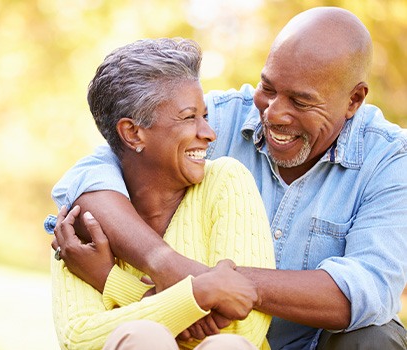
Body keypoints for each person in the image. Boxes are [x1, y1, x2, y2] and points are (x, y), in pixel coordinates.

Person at [49, 7, 407, 349]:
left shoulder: (390, 160)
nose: (275, 113)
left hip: (308, 343)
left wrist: (201, 285)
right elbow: (90, 177)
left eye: (300, 101)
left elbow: (366, 289)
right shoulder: (216, 118)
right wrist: (165, 265)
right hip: (203, 336)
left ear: (353, 100)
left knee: (376, 337)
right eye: (268, 88)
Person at [45, 38, 275, 349]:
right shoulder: (82, 222)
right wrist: (198, 296)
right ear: (133, 133)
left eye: (204, 116)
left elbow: (243, 329)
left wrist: (116, 284)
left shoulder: (226, 181)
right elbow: (80, 338)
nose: (209, 133)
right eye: (188, 117)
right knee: (143, 338)